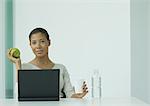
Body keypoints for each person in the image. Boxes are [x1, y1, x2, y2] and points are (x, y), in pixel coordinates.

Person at [7, 27, 88, 98]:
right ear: (30, 45)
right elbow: (18, 94)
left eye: (42, 41)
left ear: (49, 42)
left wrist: (78, 95)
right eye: (34, 43)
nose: (38, 46)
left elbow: (70, 94)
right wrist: (18, 64)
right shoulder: (24, 67)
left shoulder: (61, 68)